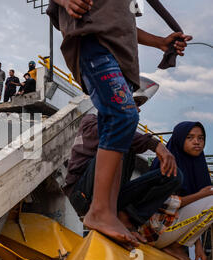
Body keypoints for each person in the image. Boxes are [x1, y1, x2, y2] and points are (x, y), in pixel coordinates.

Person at [47, 0, 192, 246]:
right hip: (93, 44)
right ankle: (99, 211)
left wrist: (160, 42)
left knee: (121, 127)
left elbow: (125, 26)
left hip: (121, 59)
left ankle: (110, 214)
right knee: (123, 116)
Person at [64, 99, 182, 248]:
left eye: (139, 107)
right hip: (82, 194)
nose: (138, 111)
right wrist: (156, 145)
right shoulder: (90, 121)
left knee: (174, 176)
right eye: (135, 105)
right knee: (118, 142)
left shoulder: (126, 137)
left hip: (114, 198)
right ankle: (105, 214)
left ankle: (127, 219)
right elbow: (113, 134)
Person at [138, 122, 213, 260]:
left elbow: (196, 212)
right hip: (152, 232)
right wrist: (199, 195)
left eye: (201, 138)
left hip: (171, 231)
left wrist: (198, 247)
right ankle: (175, 247)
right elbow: (164, 202)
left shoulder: (197, 165)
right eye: (190, 137)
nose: (197, 142)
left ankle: (176, 246)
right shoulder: (167, 163)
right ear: (179, 139)